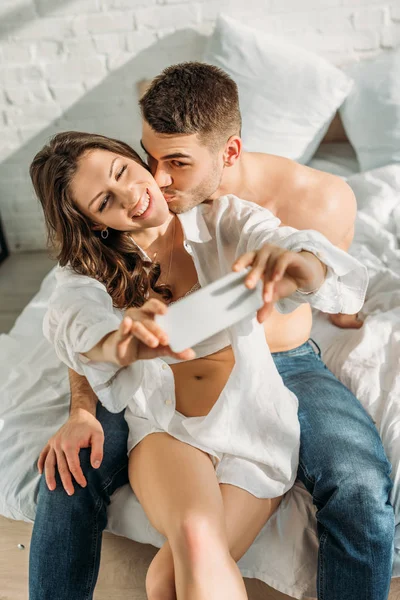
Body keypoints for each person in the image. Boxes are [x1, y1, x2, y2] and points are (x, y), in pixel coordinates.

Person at [29, 64, 394, 600]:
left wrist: (294, 264)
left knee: (165, 581)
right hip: (169, 425)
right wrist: (123, 347)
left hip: (260, 414)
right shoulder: (93, 271)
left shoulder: (243, 214)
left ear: (226, 153)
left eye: (129, 171)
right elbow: (81, 329)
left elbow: (322, 272)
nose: (147, 185)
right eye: (106, 199)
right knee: (164, 526)